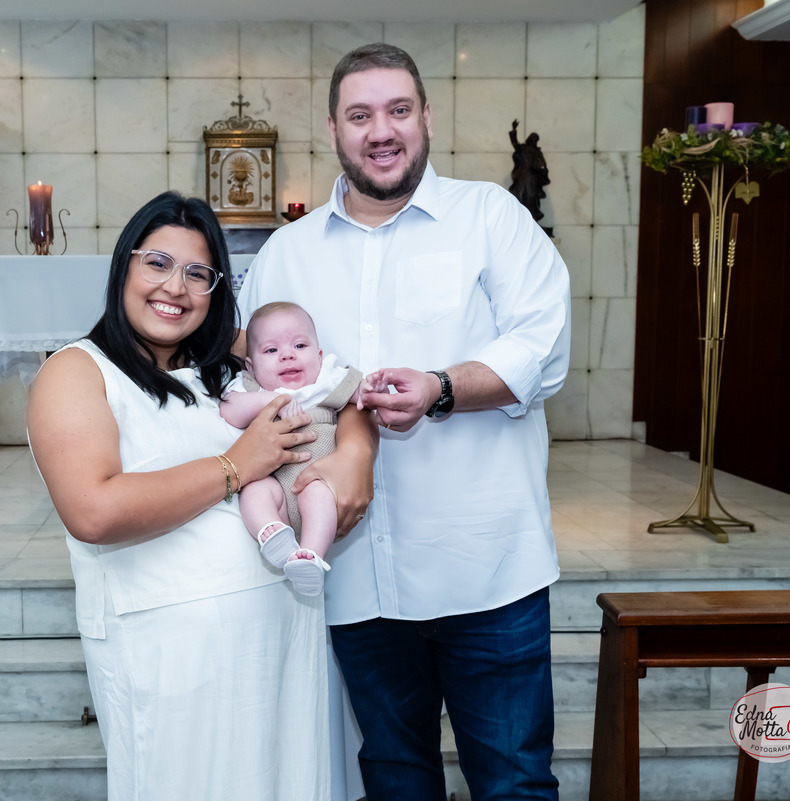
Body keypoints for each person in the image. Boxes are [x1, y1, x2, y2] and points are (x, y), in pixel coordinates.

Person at [238, 43, 571, 801]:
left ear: (426, 116)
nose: (381, 131)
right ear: (333, 129)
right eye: (360, 115)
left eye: (397, 110)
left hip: (488, 569)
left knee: (515, 783)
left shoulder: (490, 217)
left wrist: (441, 387)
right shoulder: (285, 255)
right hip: (355, 581)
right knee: (394, 780)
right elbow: (244, 374)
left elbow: (544, 349)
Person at [27, 191, 337, 800]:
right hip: (171, 659)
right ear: (124, 266)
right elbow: (93, 511)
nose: (176, 287)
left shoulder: (225, 365)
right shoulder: (77, 371)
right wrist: (236, 465)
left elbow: (335, 380)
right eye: (158, 263)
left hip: (280, 639)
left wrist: (355, 454)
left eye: (198, 273)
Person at [220, 302, 365, 596]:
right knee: (255, 489)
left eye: (300, 345)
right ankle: (271, 533)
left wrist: (374, 389)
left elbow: (361, 394)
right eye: (271, 350)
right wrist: (272, 402)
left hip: (318, 484)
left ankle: (310, 556)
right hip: (276, 495)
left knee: (318, 490)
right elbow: (229, 410)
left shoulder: (325, 381)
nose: (287, 355)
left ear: (319, 356)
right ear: (251, 366)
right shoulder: (251, 388)